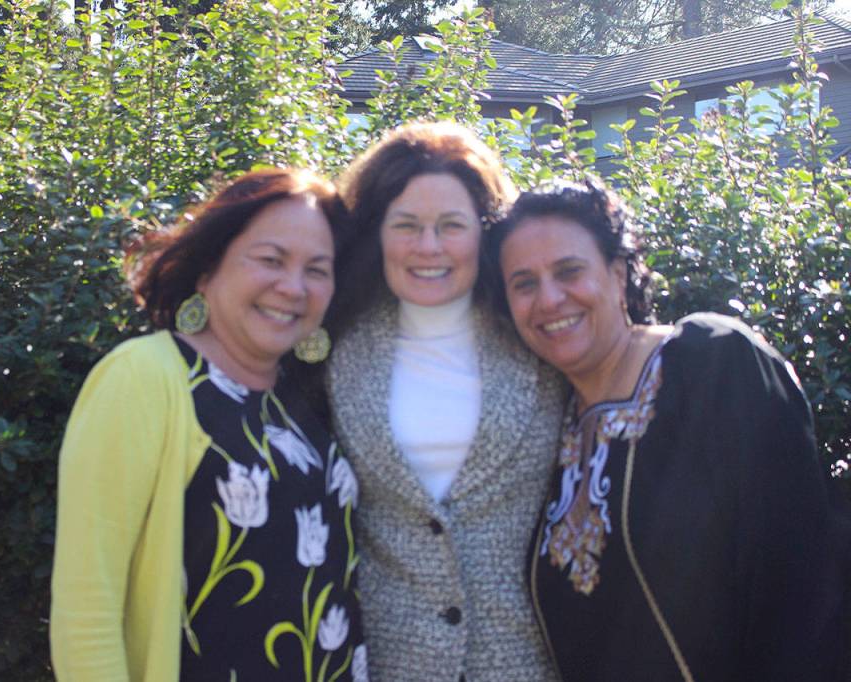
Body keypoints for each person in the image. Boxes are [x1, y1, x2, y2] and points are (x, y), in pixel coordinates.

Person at [490, 180, 850, 681]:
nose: (549, 298)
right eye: (524, 283)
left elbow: (801, 589)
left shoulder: (711, 364)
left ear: (618, 274)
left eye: (569, 271)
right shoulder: (551, 427)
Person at [50, 168, 367, 681]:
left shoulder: (300, 401)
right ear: (207, 269)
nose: (293, 286)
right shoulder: (145, 377)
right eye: (270, 259)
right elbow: (87, 609)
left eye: (317, 269)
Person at [325, 121, 565, 682]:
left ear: (484, 233)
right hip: (388, 665)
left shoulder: (539, 337)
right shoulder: (332, 347)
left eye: (450, 226)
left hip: (527, 664)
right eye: (406, 225)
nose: (428, 247)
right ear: (376, 232)